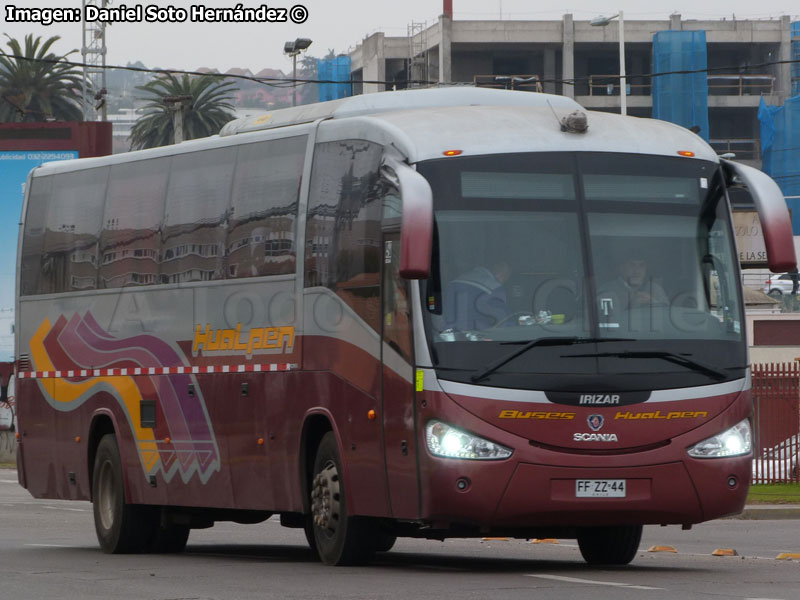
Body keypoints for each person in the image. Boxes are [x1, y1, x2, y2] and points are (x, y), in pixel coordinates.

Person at [444, 261, 512, 330]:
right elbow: (504, 319)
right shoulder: (495, 287)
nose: (503, 282)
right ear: (501, 275)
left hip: (452, 335)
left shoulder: (454, 282)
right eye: (505, 279)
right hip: (478, 335)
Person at [597, 254, 668, 319]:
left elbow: (667, 317)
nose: (637, 271)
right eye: (632, 265)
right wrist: (631, 307)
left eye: (641, 266)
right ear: (621, 268)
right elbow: (604, 326)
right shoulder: (607, 291)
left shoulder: (655, 289)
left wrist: (654, 303)